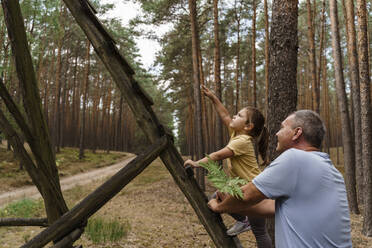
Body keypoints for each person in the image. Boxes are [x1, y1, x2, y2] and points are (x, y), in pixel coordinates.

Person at [208, 110, 352, 248]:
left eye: (283, 128)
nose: (277, 133)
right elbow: (271, 207)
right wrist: (231, 203)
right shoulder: (333, 172)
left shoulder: (295, 158)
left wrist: (218, 207)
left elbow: (246, 195)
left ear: (297, 133)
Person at [184, 85, 272, 247]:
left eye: (238, 115)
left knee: (216, 197)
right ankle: (244, 221)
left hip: (250, 190)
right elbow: (225, 115)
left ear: (248, 126)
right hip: (256, 188)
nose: (233, 116)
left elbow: (218, 155)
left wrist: (196, 163)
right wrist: (213, 98)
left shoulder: (242, 141)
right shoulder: (237, 134)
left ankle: (243, 220)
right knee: (260, 232)